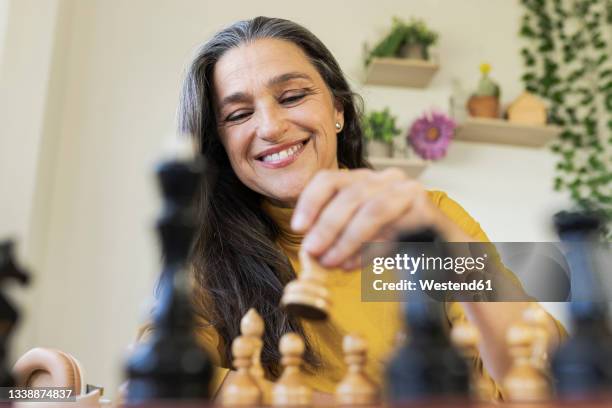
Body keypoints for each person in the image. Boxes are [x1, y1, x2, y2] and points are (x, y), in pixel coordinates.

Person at [142, 16, 565, 402]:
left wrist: (444, 241)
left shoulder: (426, 218)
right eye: (238, 114)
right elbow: (161, 383)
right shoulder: (205, 250)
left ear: (338, 109)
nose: (270, 127)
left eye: (291, 96)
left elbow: (545, 375)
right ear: (221, 145)